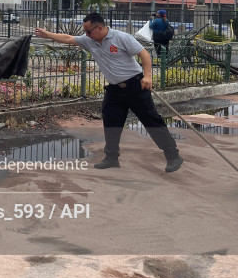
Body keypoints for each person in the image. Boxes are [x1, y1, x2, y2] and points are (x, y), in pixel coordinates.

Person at [34, 12, 183, 173]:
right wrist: (46, 34)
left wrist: (147, 76)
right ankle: (111, 158)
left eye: (88, 31)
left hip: (135, 85)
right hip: (114, 90)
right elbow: (69, 38)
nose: (86, 35)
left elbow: (144, 54)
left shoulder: (120, 37)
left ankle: (172, 155)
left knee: (151, 120)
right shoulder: (90, 41)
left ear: (99, 28)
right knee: (111, 121)